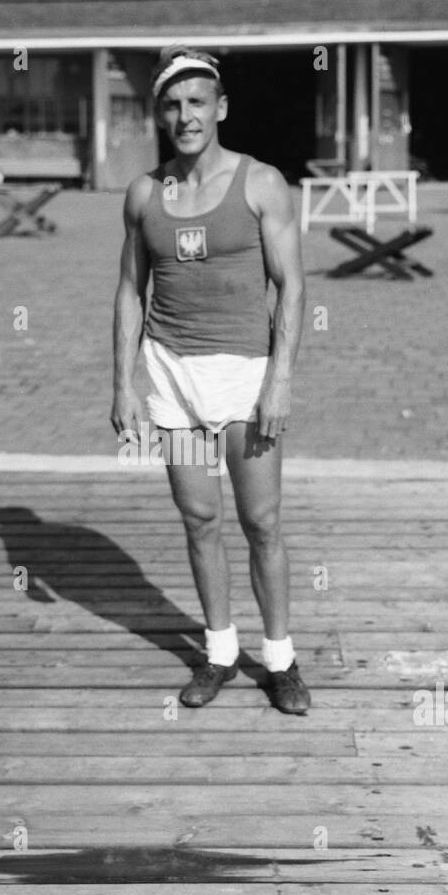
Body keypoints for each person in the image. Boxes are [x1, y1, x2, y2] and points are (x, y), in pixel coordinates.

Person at [109, 46, 310, 715]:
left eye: (197, 102)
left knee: (262, 521)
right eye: (172, 104)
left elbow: (293, 285)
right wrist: (124, 383)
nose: (184, 115)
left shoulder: (261, 184)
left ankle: (279, 660)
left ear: (220, 107)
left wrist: (280, 377)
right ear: (161, 114)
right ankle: (221, 651)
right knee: (200, 520)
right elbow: (130, 292)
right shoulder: (144, 194)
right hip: (174, 387)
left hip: (246, 379)